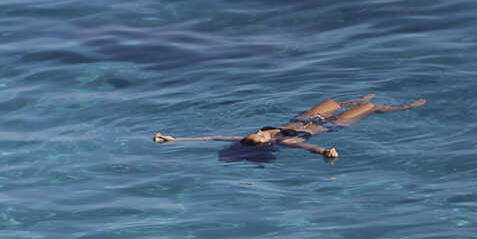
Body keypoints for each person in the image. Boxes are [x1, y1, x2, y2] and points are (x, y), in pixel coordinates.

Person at [153, 94, 426, 161]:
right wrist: (324, 152)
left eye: (257, 132)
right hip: (331, 127)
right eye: (260, 136)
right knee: (372, 108)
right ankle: (404, 108)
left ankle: (358, 99)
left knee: (334, 100)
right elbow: (308, 145)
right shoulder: (282, 143)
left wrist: (174, 139)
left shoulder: (254, 137)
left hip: (305, 117)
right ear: (265, 144)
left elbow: (212, 137)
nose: (260, 132)